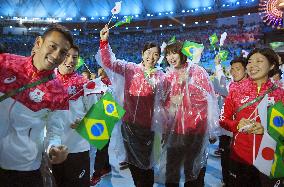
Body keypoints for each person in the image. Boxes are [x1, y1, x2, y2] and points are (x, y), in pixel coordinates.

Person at [0, 24, 73, 186]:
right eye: (52, 46)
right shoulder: (5, 63)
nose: (56, 55)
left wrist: (53, 148)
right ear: (39, 43)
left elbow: (54, 133)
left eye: (63, 52)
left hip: (23, 167)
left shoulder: (59, 92)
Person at [97, 25, 164, 187]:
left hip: (150, 129)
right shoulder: (130, 69)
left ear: (159, 58)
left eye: (155, 54)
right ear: (142, 54)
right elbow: (108, 62)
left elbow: (167, 103)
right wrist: (104, 42)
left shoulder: (162, 77)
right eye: (148, 53)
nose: (151, 57)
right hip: (129, 126)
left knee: (148, 166)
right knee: (134, 164)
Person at [220, 48, 284, 187]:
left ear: (272, 65)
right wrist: (237, 125)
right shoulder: (235, 90)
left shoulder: (280, 94)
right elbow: (223, 119)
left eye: (259, 61)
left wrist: (266, 130)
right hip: (240, 158)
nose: (252, 65)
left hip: (270, 159)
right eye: (249, 62)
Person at [161, 40, 219, 187]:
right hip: (174, 131)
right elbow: (164, 104)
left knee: (193, 171)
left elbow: (209, 99)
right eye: (168, 54)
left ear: (182, 53)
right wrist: (171, 105)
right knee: (171, 171)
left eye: (174, 53)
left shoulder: (197, 71)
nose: (171, 57)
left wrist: (188, 86)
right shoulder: (168, 76)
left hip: (195, 131)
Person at [50, 45, 99, 187]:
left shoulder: (86, 84)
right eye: (66, 55)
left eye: (75, 57)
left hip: (78, 149)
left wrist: (86, 123)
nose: (70, 60)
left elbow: (99, 117)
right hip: (51, 148)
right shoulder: (47, 81)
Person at [213, 56, 248, 186]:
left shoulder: (250, 88)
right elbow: (220, 85)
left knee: (240, 169)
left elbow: (220, 87)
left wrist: (217, 66)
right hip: (226, 133)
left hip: (242, 136)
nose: (233, 72)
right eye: (232, 69)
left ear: (246, 70)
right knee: (226, 163)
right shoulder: (231, 84)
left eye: (237, 69)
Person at [90, 67, 112, 186]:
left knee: (101, 146)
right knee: (101, 146)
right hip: (96, 116)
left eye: (103, 72)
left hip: (107, 117)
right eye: (99, 72)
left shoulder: (112, 83)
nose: (101, 74)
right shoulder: (97, 83)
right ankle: (106, 166)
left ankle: (96, 173)